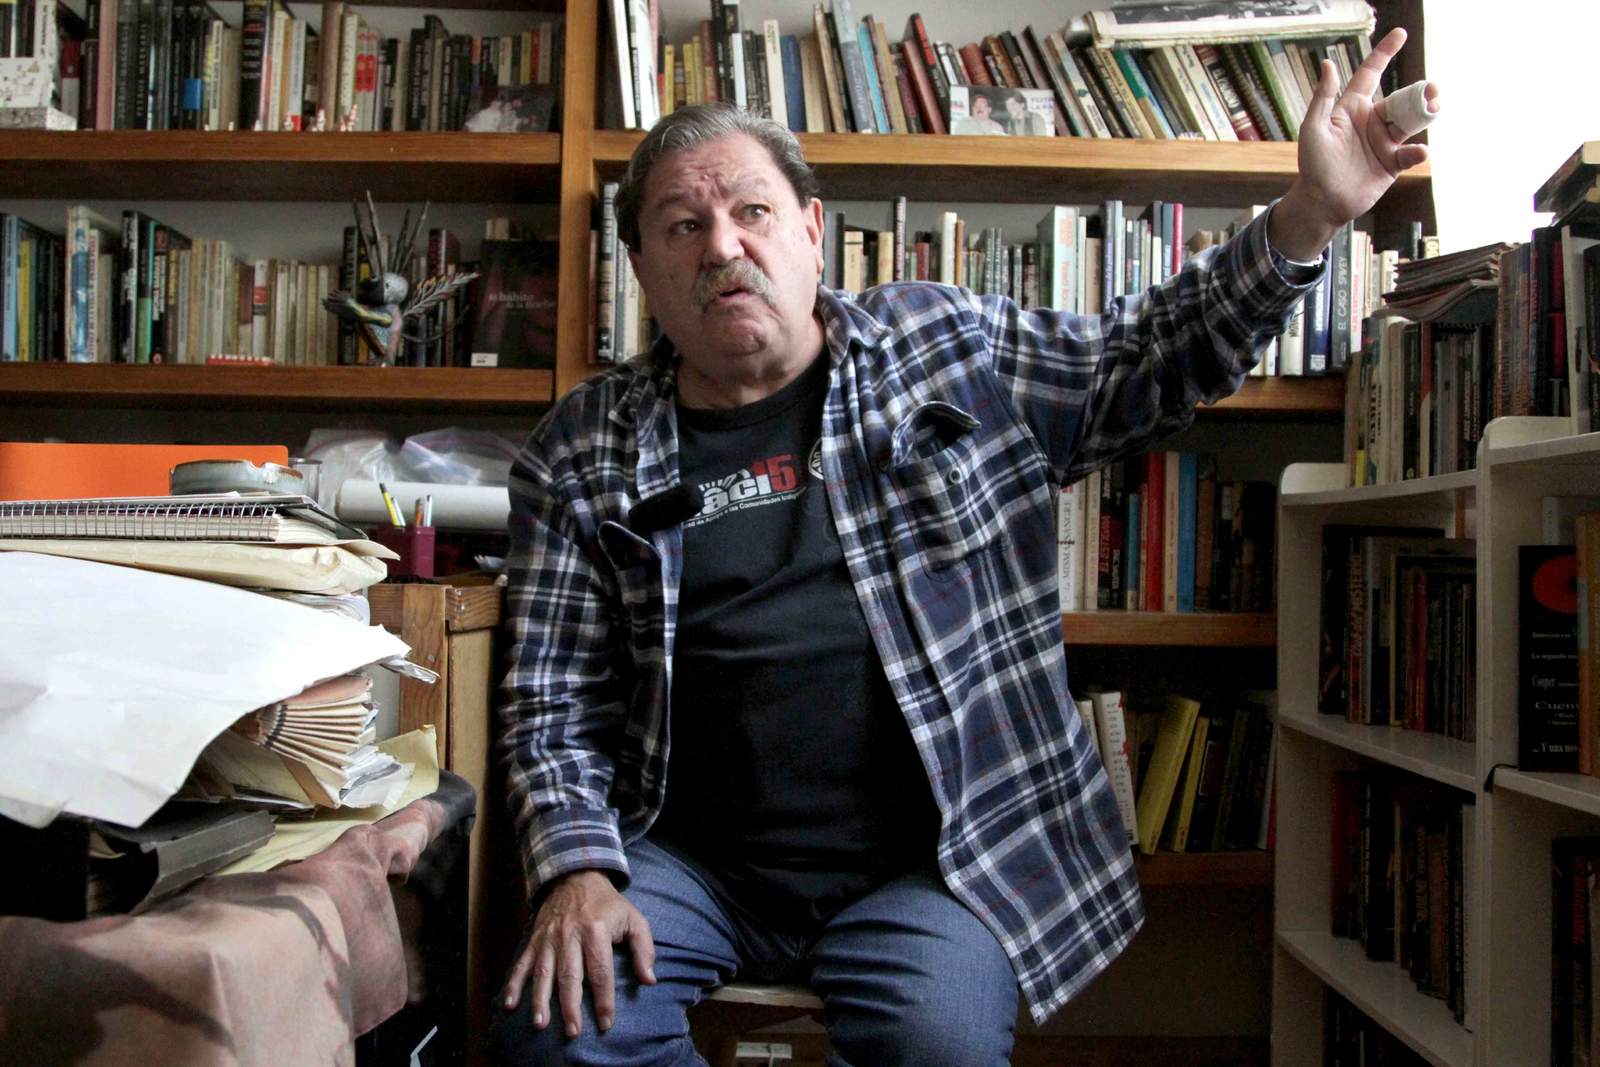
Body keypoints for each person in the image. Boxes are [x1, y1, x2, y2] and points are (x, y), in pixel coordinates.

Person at [492, 27, 1437, 1066]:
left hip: (938, 856)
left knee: (935, 1043)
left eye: (750, 211)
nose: (722, 247)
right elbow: (553, 697)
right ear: (638, 266)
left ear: (811, 229)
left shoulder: (944, 348)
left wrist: (1310, 214)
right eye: (682, 225)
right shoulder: (582, 447)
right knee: (561, 1026)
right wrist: (577, 868)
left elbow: (1152, 354)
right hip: (687, 859)